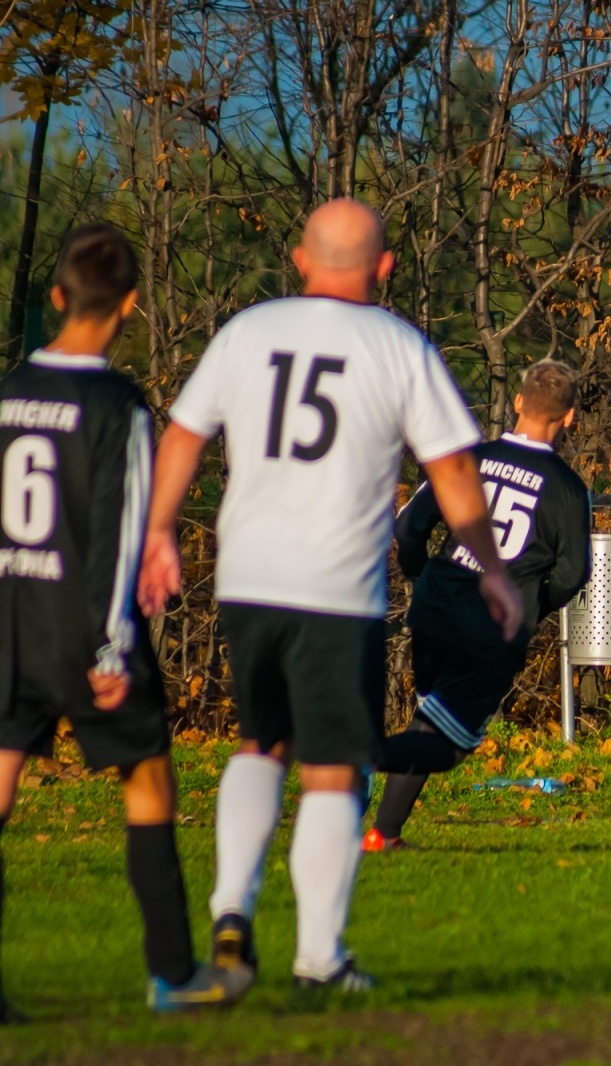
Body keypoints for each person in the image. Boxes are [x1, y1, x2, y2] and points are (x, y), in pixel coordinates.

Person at [137, 199, 523, 997]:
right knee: (333, 770)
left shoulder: (248, 331)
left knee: (259, 745)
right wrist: (488, 565)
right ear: (383, 269)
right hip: (335, 589)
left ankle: (231, 915)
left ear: (299, 259)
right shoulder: (398, 345)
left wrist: (159, 533)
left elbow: (181, 436)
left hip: (247, 580)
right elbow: (451, 470)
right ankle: (319, 957)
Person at [0, 224, 231, 1016]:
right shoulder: (117, 406)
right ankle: (173, 972)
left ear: (57, 297)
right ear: (130, 304)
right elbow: (124, 531)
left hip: (7, 623)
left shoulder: (4, 392)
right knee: (149, 782)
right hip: (80, 626)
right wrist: (110, 648)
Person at [364, 361, 592, 851]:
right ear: (569, 418)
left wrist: (421, 576)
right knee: (447, 743)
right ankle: (356, 759)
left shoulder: (467, 457)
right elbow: (574, 573)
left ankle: (384, 833)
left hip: (436, 601)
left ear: (517, 403)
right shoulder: (569, 489)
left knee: (431, 716)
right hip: (489, 623)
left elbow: (409, 528)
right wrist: (530, 608)